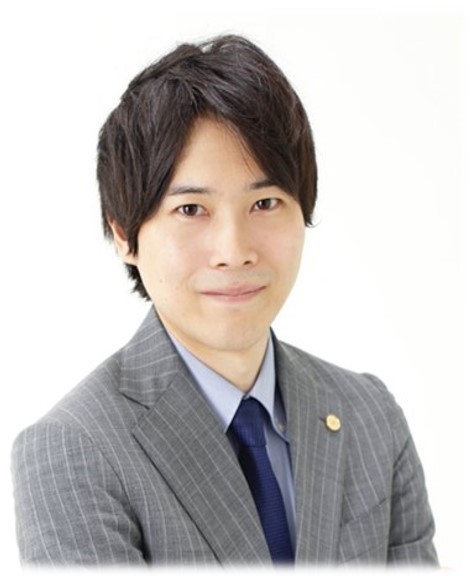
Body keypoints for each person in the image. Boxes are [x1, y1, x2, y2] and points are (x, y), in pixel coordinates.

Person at [11, 34, 438, 566]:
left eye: (265, 202)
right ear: (124, 234)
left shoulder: (370, 415)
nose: (234, 252)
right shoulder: (75, 450)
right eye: (191, 210)